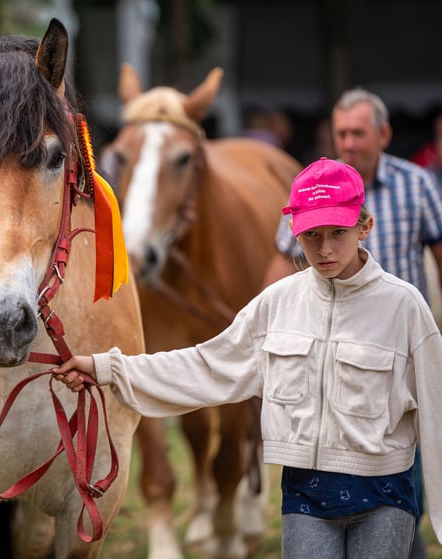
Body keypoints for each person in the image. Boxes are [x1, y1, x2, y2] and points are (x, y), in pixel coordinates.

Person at [53, 157, 442, 558]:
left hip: (385, 495)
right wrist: (106, 368)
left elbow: (437, 411)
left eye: (338, 233)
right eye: (311, 235)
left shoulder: (405, 306)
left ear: (365, 227)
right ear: (294, 231)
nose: (324, 249)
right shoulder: (276, 305)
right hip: (305, 496)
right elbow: (206, 366)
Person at [263, 89, 442, 557]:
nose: (348, 142)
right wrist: (266, 324)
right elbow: (282, 267)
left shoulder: (416, 185)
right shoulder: (310, 197)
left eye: (358, 133)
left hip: (394, 357)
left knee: (406, 471)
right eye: (340, 133)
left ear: (383, 135)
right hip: (331, 355)